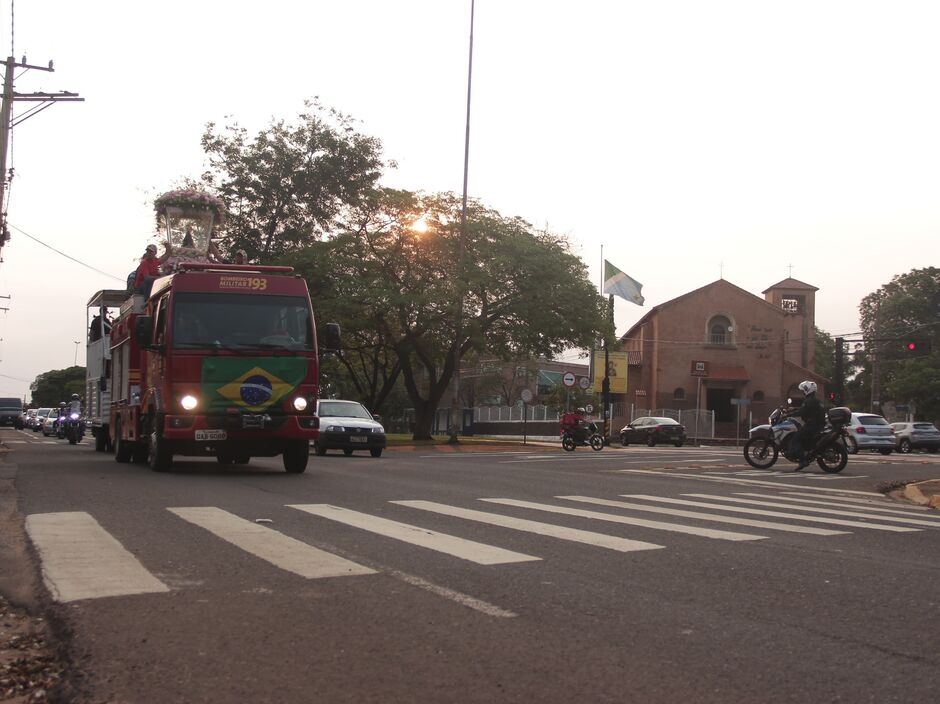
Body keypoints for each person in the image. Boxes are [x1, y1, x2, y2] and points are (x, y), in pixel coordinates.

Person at [787, 380, 826, 470]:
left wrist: (788, 414)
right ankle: (806, 452)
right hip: (818, 425)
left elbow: (802, 411)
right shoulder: (816, 401)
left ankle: (802, 460)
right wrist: (794, 409)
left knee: (795, 440)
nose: (802, 392)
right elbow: (806, 409)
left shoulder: (808, 401)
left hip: (811, 426)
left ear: (807, 390)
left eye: (803, 390)